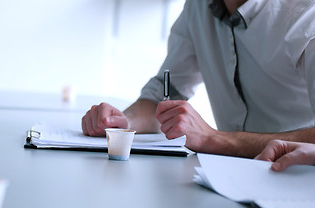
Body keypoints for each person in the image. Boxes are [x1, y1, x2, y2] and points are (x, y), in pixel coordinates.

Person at [82, 0, 315, 158]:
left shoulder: (306, 14)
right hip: (227, 179)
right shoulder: (199, 6)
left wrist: (214, 139)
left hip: (296, 185)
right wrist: (125, 123)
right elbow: (163, 96)